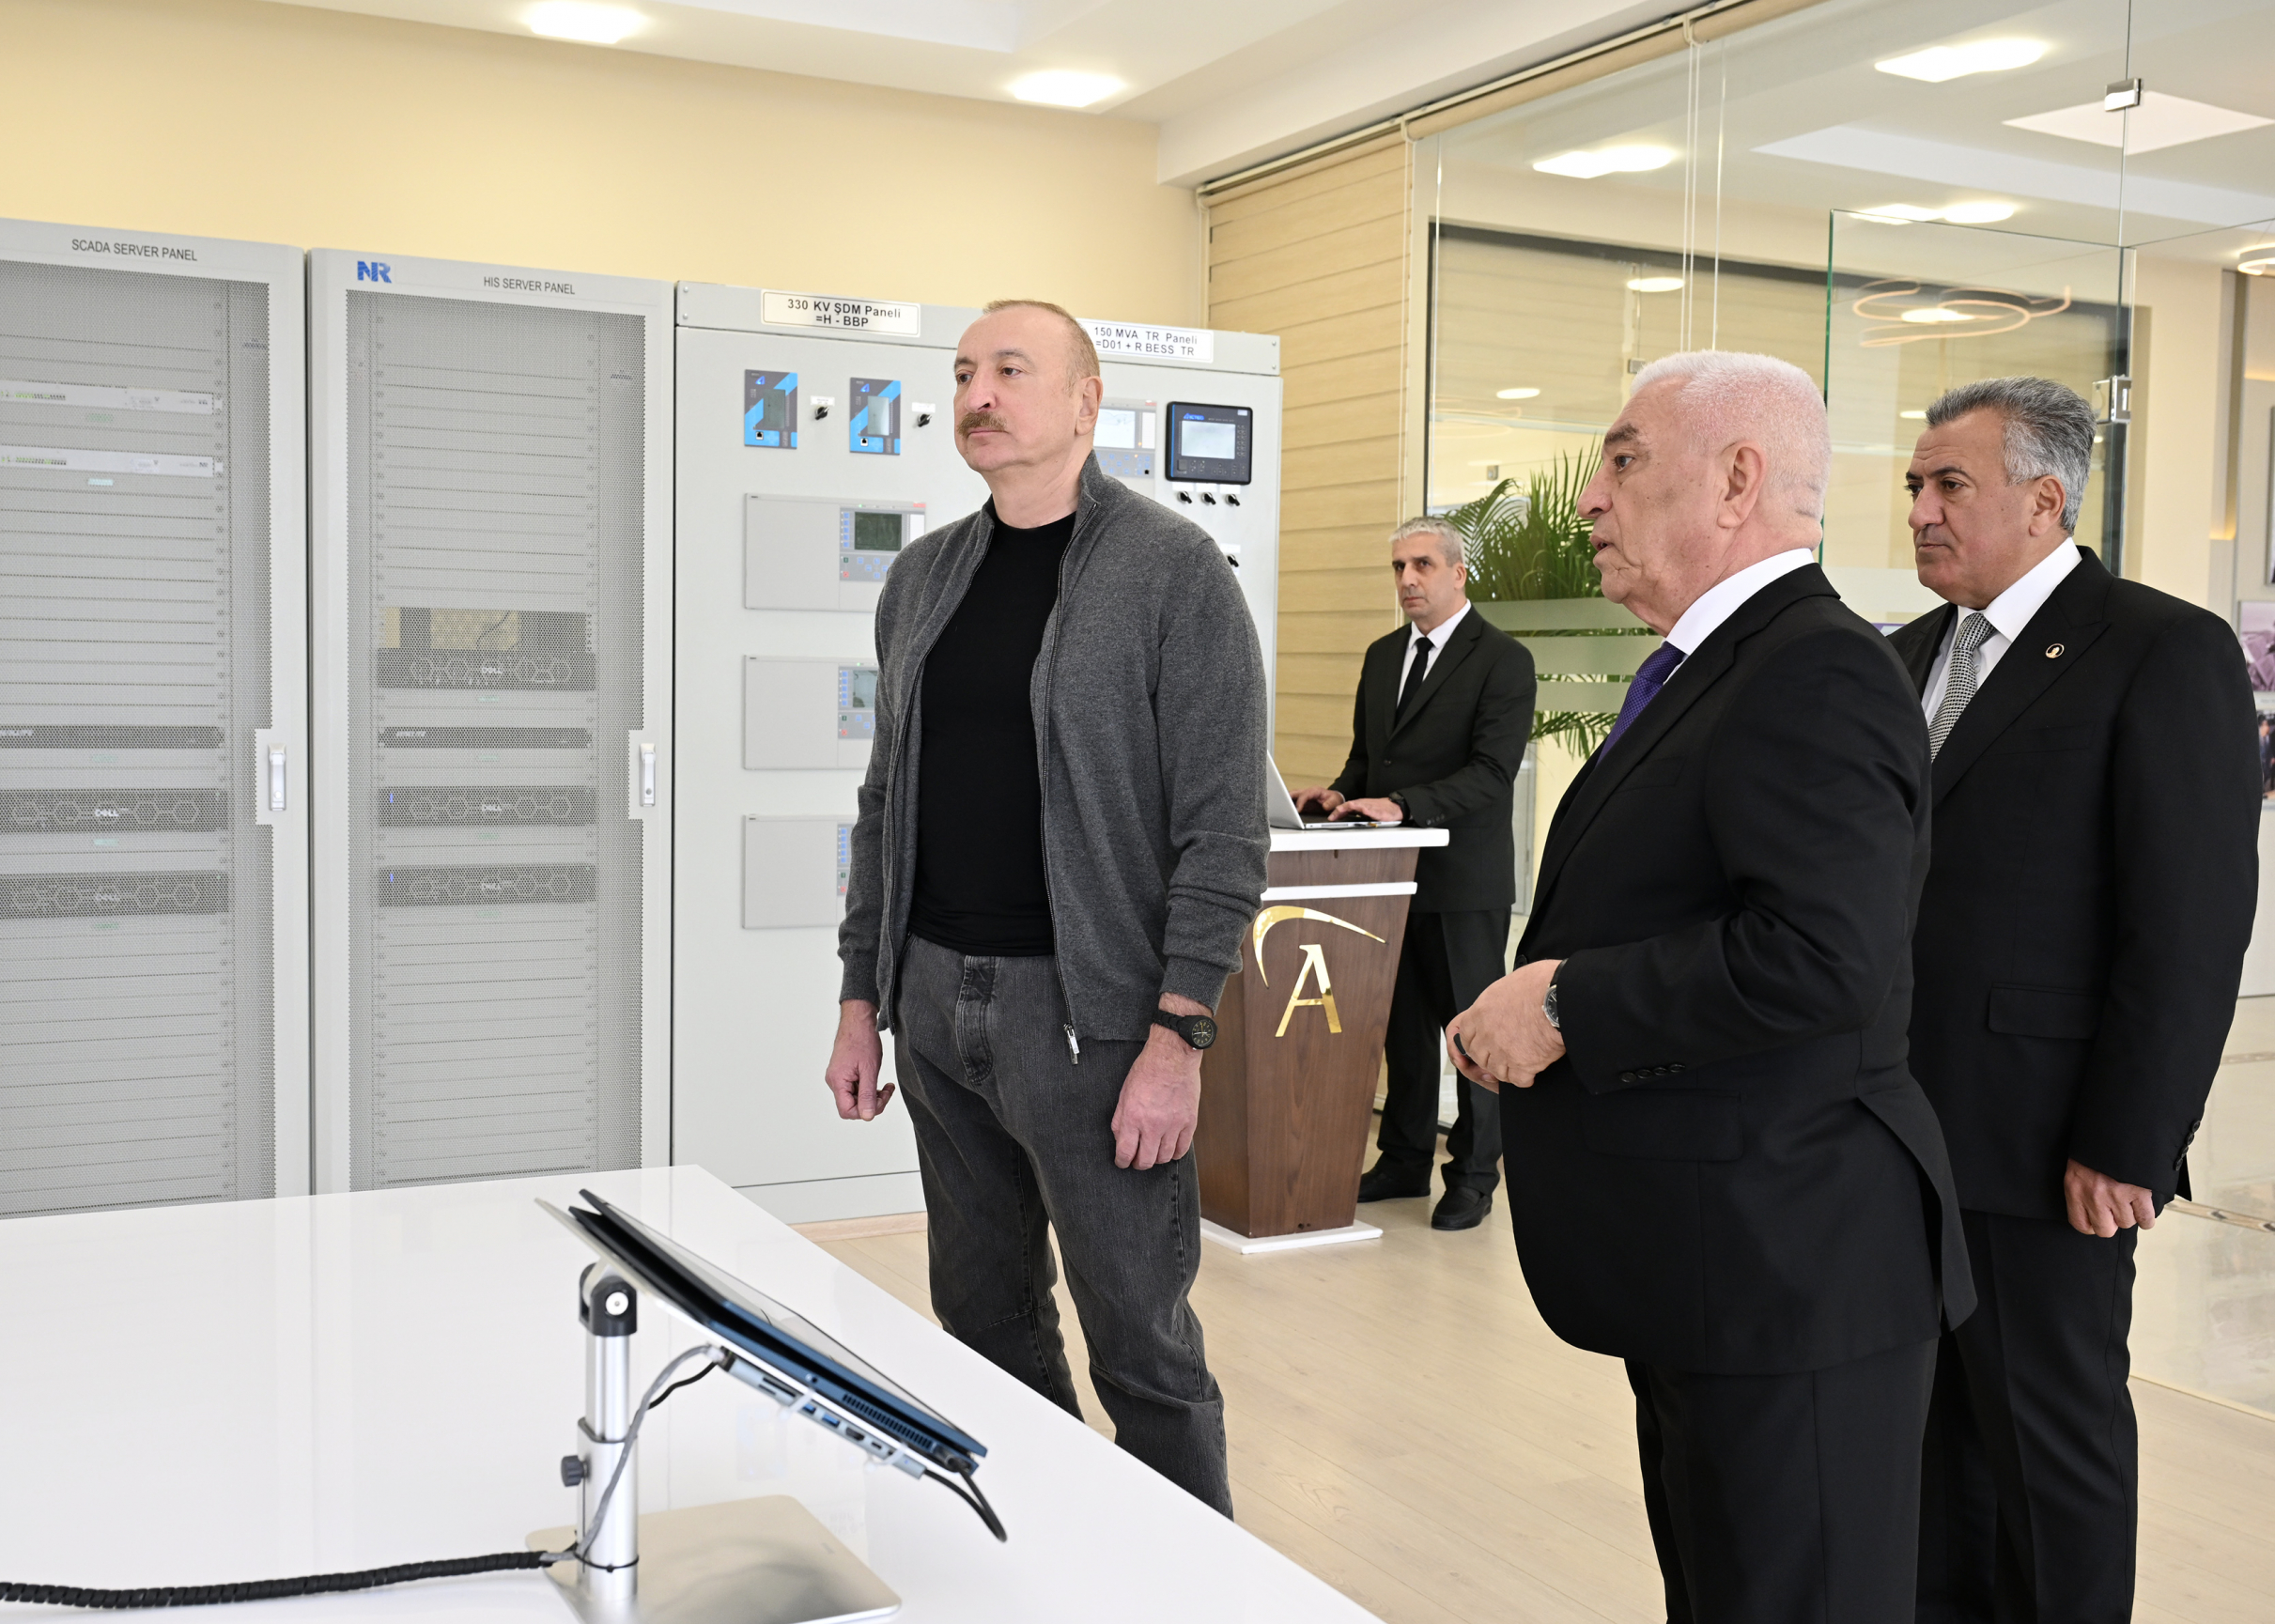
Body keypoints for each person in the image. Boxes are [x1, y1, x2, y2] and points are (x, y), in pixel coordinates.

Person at [1446, 350, 1973, 1623]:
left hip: (1791, 1270)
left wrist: (1561, 1005)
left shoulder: (1814, 669)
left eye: (1623, 461)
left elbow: (1821, 954)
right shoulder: (1716, 667)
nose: (1590, 498)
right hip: (1717, 1264)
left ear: (1738, 479)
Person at [824, 299, 1268, 1512]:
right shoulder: (922, 579)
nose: (979, 394)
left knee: (1142, 1345)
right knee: (982, 1322)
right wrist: (862, 997)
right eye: (966, 371)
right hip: (933, 1002)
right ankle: (1048, 1554)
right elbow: (885, 802)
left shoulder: (1173, 572)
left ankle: (1189, 1585)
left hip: (1094, 1026)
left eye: (1011, 370)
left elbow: (1224, 831)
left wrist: (1178, 1038)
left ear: (1085, 402)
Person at [1887, 377, 2258, 1624]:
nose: (1920, 511)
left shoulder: (2159, 649)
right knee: (1929, 1445)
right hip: (1892, 1134)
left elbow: (2189, 925)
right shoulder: (1901, 655)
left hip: (2045, 1145)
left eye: (1950, 485)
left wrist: (2129, 1139)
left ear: (2045, 501)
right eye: (1914, 485)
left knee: (2049, 1447)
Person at [1291, 516, 1536, 1230]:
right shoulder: (1381, 655)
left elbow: (1491, 773)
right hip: (1386, 879)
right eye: (1399, 567)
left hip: (1462, 880)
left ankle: (1475, 1175)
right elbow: (1368, 761)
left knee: (1473, 1035)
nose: (1407, 580)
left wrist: (1402, 805)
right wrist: (1338, 794)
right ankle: (1402, 1160)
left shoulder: (1503, 660)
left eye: (1423, 565)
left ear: (1459, 572)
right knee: (1400, 1030)